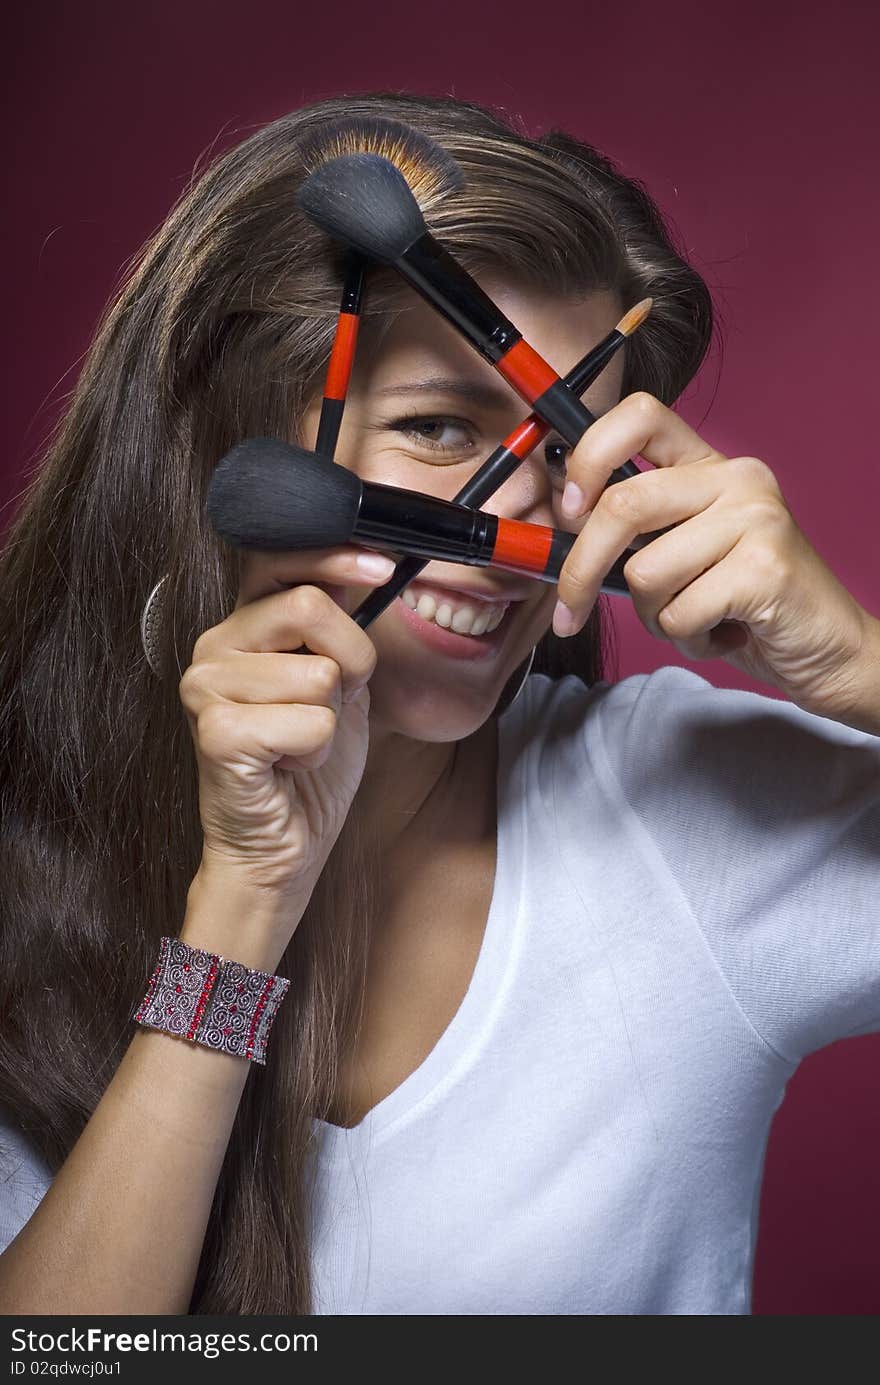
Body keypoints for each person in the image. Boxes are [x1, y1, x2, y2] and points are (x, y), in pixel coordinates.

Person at [0, 91, 877, 1318]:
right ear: (222, 451)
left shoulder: (685, 810)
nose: (503, 542)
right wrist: (244, 910)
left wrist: (863, 668)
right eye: (434, 427)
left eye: (566, 467)